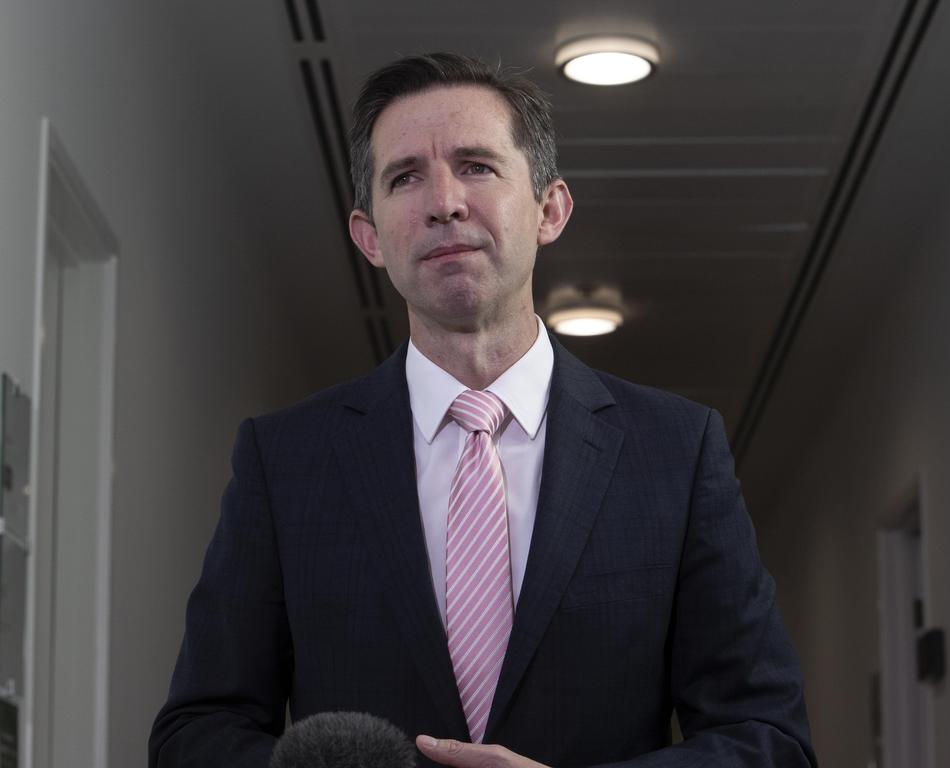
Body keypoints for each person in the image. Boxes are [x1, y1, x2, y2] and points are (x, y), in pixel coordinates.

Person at [149, 52, 816, 768]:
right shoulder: (283, 463)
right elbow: (197, 731)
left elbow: (768, 739)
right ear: (369, 237)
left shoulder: (677, 453)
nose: (444, 201)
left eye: (477, 166)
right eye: (405, 177)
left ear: (549, 209)